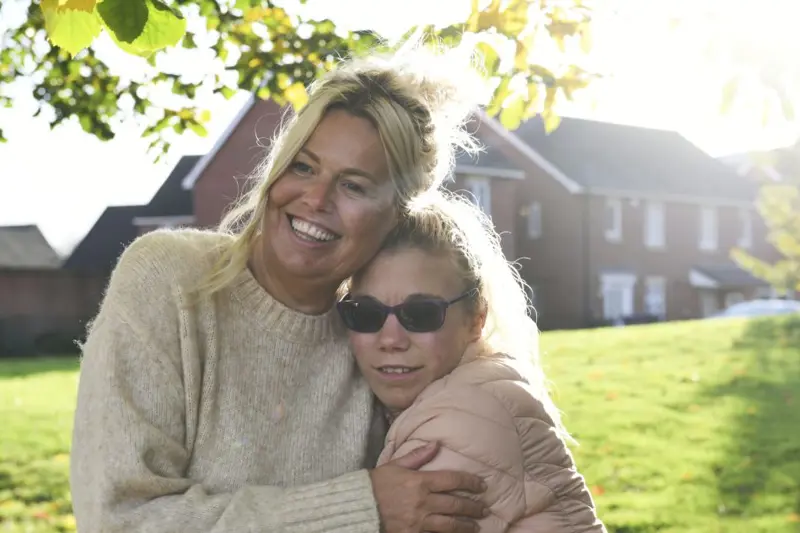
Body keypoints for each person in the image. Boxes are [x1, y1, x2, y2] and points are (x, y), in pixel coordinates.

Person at [69, 45, 492, 533]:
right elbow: (118, 518)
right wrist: (359, 508)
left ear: (396, 219)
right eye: (303, 167)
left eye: (353, 186)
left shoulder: (382, 337)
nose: (315, 199)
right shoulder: (170, 280)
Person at [337, 192, 607, 532]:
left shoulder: (460, 423)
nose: (391, 340)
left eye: (421, 313)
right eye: (366, 313)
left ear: (476, 319)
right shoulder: (472, 389)